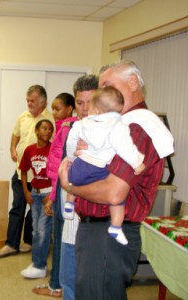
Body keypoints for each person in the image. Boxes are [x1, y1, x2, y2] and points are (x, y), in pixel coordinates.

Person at [58, 60, 174, 300]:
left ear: (132, 83)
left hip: (106, 236)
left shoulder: (136, 127)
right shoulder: (113, 125)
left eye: (107, 85)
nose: (102, 93)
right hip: (96, 232)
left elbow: (114, 193)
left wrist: (69, 185)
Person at [33, 74, 98, 299]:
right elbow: (58, 165)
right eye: (80, 103)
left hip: (88, 213)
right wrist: (54, 195)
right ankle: (59, 287)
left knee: (83, 273)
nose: (85, 109)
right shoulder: (70, 129)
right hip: (66, 204)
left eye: (91, 102)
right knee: (67, 266)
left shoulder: (107, 132)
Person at [64, 86, 145, 246]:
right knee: (116, 200)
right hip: (100, 169)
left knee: (73, 181)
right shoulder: (118, 126)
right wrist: (137, 163)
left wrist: (71, 156)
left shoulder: (83, 123)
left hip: (81, 165)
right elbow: (124, 148)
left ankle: (69, 203)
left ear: (96, 109)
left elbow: (71, 139)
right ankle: (116, 226)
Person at [0, 85, 54, 258]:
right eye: (27, 100)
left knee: (33, 210)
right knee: (17, 206)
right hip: (21, 171)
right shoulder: (23, 117)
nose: (29, 103)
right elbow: (15, 134)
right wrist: (13, 148)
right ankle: (11, 244)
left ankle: (28, 241)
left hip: (40, 176)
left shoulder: (51, 120)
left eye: (32, 101)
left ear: (43, 102)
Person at [19, 119, 54, 279]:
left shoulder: (53, 149)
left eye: (50, 130)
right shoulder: (29, 150)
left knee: (42, 230)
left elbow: (58, 173)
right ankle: (36, 262)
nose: (48, 132)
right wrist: (26, 191)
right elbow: (24, 171)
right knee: (35, 230)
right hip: (34, 193)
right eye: (45, 128)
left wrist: (53, 193)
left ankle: (39, 265)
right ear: (37, 131)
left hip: (48, 194)